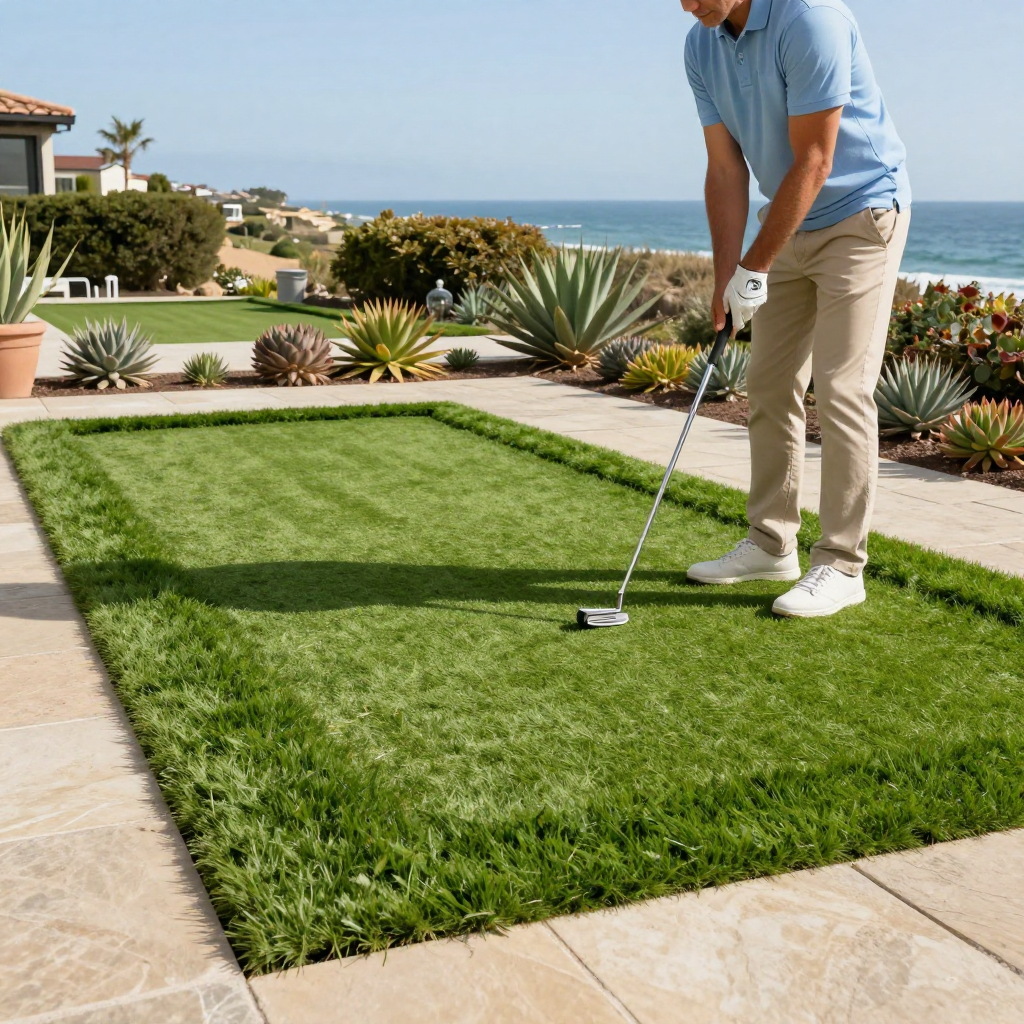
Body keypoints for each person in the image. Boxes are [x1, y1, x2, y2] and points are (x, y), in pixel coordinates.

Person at [679, 0, 911, 618]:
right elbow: (725, 169)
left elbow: (816, 159)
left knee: (840, 389)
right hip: (785, 224)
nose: (685, 4)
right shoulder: (700, 45)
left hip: (861, 217)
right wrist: (727, 274)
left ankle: (840, 565)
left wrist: (755, 267)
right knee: (771, 384)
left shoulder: (812, 20)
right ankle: (770, 543)